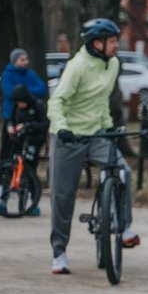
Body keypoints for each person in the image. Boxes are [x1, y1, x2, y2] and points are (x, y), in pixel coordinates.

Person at [48, 18, 139, 275]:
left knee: (122, 171)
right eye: (112, 41)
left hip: (97, 133)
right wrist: (62, 128)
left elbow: (102, 101)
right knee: (62, 196)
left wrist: (109, 127)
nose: (116, 45)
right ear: (97, 44)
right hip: (69, 136)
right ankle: (59, 253)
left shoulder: (113, 64)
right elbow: (57, 101)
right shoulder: (77, 67)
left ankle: (124, 227)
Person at [0, 84, 49, 217]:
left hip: (33, 141)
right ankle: (2, 203)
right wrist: (10, 126)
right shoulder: (17, 105)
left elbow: (45, 123)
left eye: (21, 102)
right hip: (19, 140)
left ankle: (31, 204)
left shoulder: (38, 105)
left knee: (29, 172)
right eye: (17, 102)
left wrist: (27, 126)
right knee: (10, 169)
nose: (19, 105)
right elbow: (11, 119)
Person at [0, 48, 47, 159]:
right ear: (15, 61)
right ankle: (5, 174)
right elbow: (10, 92)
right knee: (9, 149)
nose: (26, 62)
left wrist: (24, 91)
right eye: (22, 59)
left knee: (27, 152)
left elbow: (42, 88)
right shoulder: (7, 75)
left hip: (30, 118)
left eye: (26, 59)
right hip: (13, 116)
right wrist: (28, 92)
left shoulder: (31, 74)